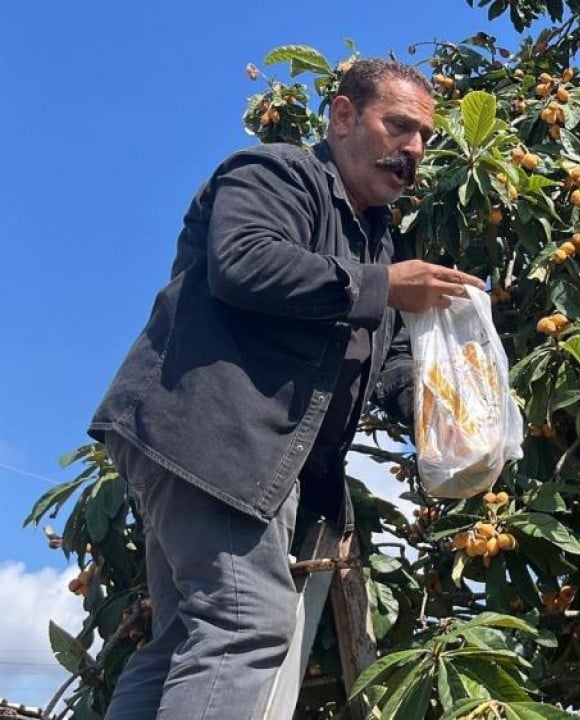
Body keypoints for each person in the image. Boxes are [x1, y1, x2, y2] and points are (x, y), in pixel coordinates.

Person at [87, 58, 484, 719]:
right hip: (213, 435)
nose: (414, 148)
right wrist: (384, 286)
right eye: (399, 126)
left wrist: (446, 411)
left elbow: (385, 361)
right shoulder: (276, 173)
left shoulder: (378, 243)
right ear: (343, 116)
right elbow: (243, 263)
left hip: (239, 456)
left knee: (186, 637)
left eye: (425, 137)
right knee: (245, 622)